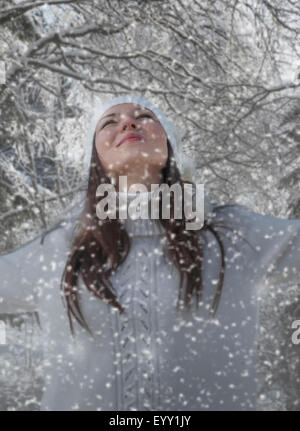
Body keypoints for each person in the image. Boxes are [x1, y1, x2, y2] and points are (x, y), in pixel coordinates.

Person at [0, 93, 300, 411]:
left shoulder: (233, 235)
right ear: (95, 157)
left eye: (144, 117)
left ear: (168, 144)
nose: (128, 123)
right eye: (109, 122)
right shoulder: (59, 250)